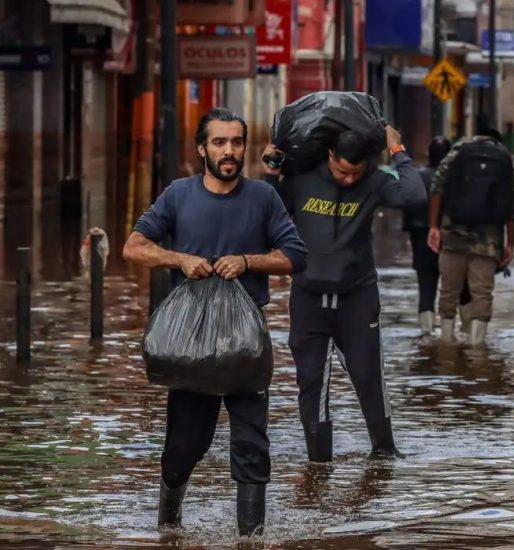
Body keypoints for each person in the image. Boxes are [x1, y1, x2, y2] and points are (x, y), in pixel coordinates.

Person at [122, 108, 309, 536]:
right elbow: (134, 247)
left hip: (246, 343)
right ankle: (168, 525)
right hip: (190, 345)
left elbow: (295, 255)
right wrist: (180, 259)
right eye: (220, 143)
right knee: (185, 446)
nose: (229, 151)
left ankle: (251, 537)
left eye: (237, 143)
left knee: (251, 444)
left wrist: (248, 261)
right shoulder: (178, 195)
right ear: (202, 149)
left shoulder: (263, 197)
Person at [262, 126, 425, 463]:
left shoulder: (375, 182)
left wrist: (398, 150)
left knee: (369, 377)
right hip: (308, 296)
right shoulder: (301, 180)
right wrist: (271, 174)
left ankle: (384, 453)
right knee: (312, 382)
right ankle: (318, 464)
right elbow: (265, 212)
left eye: (356, 172)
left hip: (357, 296)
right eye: (342, 171)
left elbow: (414, 196)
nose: (349, 179)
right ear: (329, 156)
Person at [427, 129, 514, 345]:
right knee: (482, 293)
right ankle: (477, 349)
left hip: (453, 234)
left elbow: (436, 186)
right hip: (489, 239)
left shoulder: (459, 149)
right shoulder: (505, 157)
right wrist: (510, 243)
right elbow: (513, 204)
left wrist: (433, 226)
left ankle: (446, 344)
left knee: (449, 290)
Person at [403, 136, 452, 334]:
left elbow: (407, 205)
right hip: (450, 236)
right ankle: (455, 334)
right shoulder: (454, 177)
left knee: (426, 285)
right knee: (456, 287)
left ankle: (426, 332)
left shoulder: (417, 176)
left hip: (420, 236)